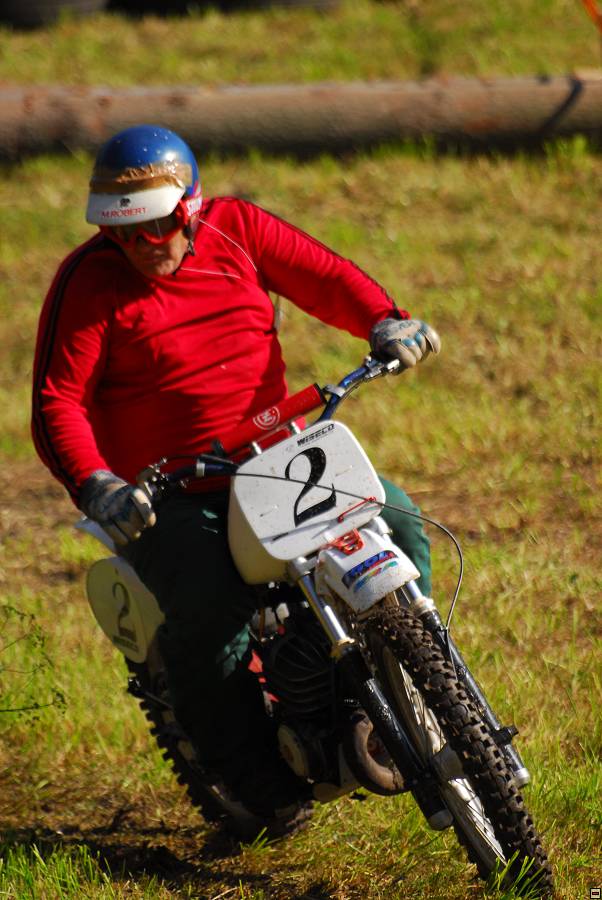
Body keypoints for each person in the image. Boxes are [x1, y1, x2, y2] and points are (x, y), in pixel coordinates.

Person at [31, 124, 440, 839]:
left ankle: (424, 679)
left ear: (190, 206)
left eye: (157, 225)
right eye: (122, 232)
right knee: (209, 611)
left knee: (399, 521)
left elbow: (324, 277)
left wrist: (385, 321)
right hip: (170, 492)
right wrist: (97, 484)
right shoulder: (87, 281)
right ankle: (255, 779)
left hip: (278, 458)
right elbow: (56, 401)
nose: (142, 244)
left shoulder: (240, 230)